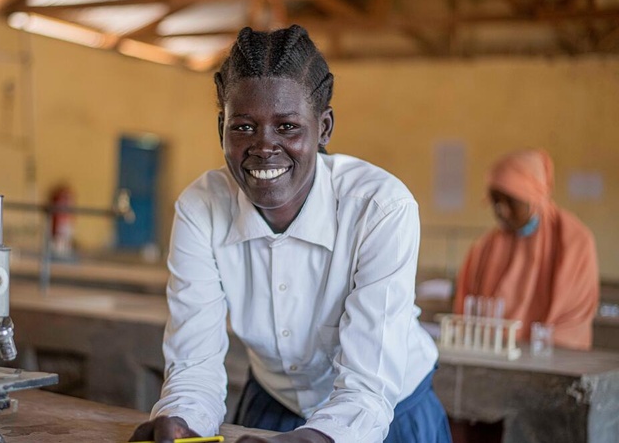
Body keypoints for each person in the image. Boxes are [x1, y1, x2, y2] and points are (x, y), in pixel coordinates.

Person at [129, 25, 450, 443]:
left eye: (287, 127)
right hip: (277, 404)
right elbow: (194, 361)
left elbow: (368, 388)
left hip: (387, 414)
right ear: (221, 128)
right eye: (243, 127)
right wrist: (182, 419)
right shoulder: (201, 208)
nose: (264, 146)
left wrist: (315, 437)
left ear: (325, 128)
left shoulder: (380, 207)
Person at [453, 148, 599, 350]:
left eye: (511, 202)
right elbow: (467, 312)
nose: (501, 211)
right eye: (495, 201)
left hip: (552, 359)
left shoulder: (573, 243)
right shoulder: (485, 248)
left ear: (534, 196)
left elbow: (572, 320)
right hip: (490, 356)